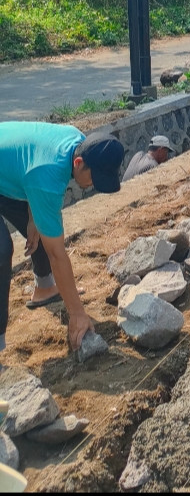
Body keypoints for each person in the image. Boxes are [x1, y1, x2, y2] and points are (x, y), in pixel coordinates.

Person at [0, 124, 124, 353]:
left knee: (44, 225)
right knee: (2, 250)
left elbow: (29, 162)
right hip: (15, 174)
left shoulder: (76, 141)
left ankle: (45, 288)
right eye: (94, 178)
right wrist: (76, 314)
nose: (94, 186)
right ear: (78, 163)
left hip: (10, 172)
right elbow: (57, 255)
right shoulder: (48, 176)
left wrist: (32, 217)